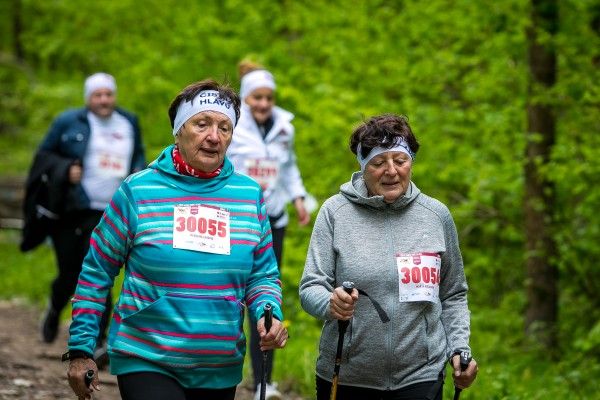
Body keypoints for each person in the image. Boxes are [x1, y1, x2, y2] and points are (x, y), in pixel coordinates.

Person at [62, 79, 289, 400]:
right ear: (179, 130)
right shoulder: (138, 191)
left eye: (225, 127)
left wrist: (269, 313)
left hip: (218, 363)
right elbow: (97, 271)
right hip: (147, 356)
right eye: (202, 123)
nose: (214, 136)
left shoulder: (248, 195)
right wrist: (81, 347)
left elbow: (263, 275)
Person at [299, 114, 478, 399]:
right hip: (348, 375)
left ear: (411, 163)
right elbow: (310, 287)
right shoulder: (335, 213)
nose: (391, 171)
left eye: (400, 160)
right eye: (379, 163)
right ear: (363, 167)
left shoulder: (436, 216)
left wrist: (459, 348)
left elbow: (453, 293)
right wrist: (330, 303)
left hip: (421, 375)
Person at [24, 72, 146, 364]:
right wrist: (66, 170)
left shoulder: (128, 122)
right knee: (69, 272)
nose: (104, 100)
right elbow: (44, 157)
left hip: (111, 211)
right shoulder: (68, 122)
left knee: (99, 272)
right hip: (71, 209)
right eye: (97, 94)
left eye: (108, 94)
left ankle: (98, 342)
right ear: (88, 97)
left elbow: (138, 158)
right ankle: (55, 308)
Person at [226, 60, 310, 400]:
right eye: (255, 98)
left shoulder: (285, 128)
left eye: (268, 98)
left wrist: (300, 198)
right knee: (231, 296)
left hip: (273, 221)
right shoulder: (230, 127)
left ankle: (264, 381)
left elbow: (288, 167)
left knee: (266, 299)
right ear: (245, 99)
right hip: (235, 223)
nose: (262, 104)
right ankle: (222, 370)